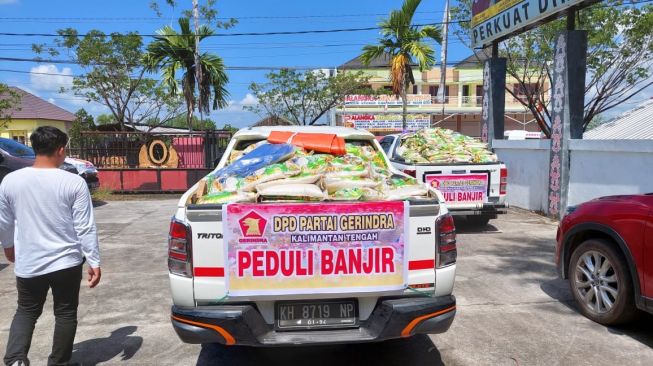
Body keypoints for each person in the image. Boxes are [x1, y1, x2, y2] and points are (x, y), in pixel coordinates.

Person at [0, 126, 101, 366]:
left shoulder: (10, 181)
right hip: (67, 262)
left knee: (26, 311)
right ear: (61, 149)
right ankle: (58, 362)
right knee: (65, 313)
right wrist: (94, 260)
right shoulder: (73, 182)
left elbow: (4, 222)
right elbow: (85, 226)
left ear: (35, 148)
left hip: (29, 262)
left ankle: (15, 360)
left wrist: (8, 247)